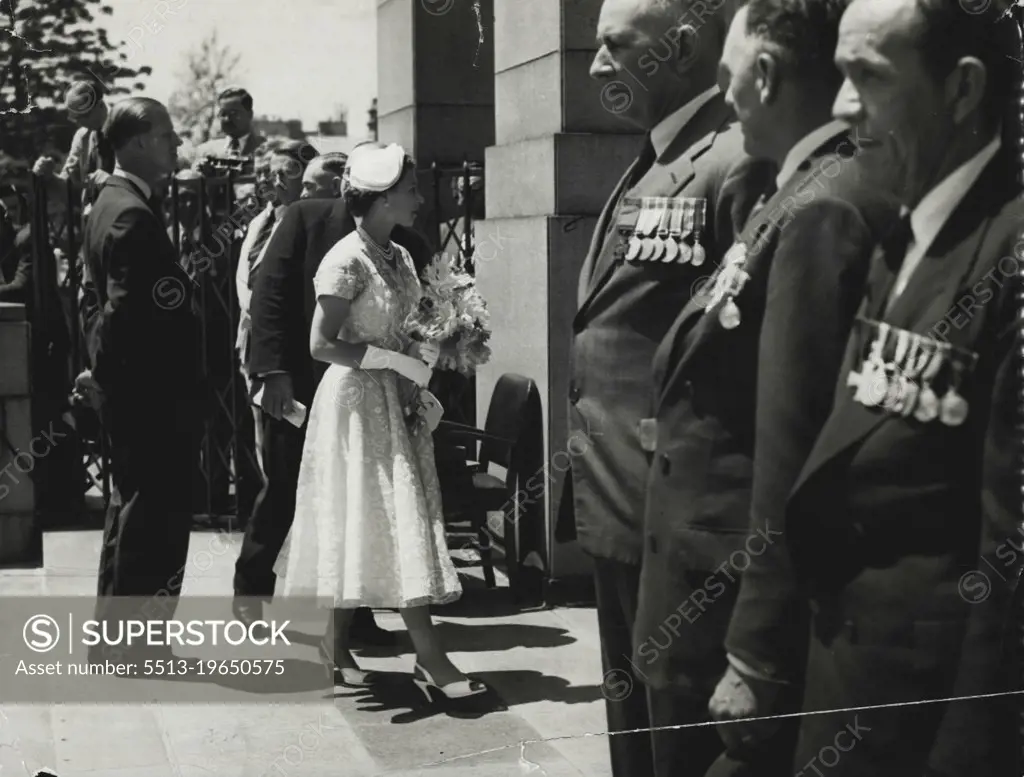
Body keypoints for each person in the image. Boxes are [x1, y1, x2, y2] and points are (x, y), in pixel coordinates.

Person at [643, 0, 898, 772]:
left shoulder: (822, 206)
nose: (723, 99)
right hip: (701, 582)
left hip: (725, 604)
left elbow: (792, 442)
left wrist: (755, 651)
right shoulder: (793, 189)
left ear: (765, 73)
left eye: (727, 78)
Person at [780, 1, 1021, 774]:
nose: (841, 105)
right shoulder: (905, 234)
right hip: (849, 695)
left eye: (869, 77)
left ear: (962, 89)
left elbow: (1009, 570)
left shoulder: (1007, 256)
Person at [563, 0, 758, 774]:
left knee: (681, 744)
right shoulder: (652, 155)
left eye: (616, 45)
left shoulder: (735, 159)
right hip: (617, 514)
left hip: (680, 530)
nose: (596, 66)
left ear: (680, 45)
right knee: (636, 742)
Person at [275, 142, 486, 702]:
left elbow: (407, 323)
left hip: (394, 400)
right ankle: (432, 658)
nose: (418, 199)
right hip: (354, 405)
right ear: (385, 195)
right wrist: (395, 361)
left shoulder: (399, 254)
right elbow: (321, 345)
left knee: (367, 516)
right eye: (411, 190)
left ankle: (332, 645)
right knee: (388, 515)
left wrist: (431, 355)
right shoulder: (345, 259)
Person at [237, 143, 432, 647]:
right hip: (302, 383)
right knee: (284, 491)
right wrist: (271, 371)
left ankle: (351, 618)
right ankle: (252, 603)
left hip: (377, 394)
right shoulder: (304, 219)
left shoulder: (406, 243)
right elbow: (270, 295)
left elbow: (424, 313)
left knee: (359, 503)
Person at [78, 97, 198, 659]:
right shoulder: (128, 211)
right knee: (154, 515)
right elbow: (120, 312)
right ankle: (135, 647)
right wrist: (103, 375)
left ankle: (115, 643)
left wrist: (99, 374)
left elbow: (96, 303)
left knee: (132, 510)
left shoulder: (114, 202)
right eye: (168, 134)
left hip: (136, 391)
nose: (176, 143)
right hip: (151, 396)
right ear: (136, 142)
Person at [33, 79, 114, 214]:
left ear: (101, 105)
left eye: (83, 116)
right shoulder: (82, 137)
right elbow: (68, 189)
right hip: (94, 223)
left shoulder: (127, 131)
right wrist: (49, 176)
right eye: (74, 117)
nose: (78, 122)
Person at [194, 87, 267, 162]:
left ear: (249, 114)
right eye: (223, 114)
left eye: (234, 113)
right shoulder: (205, 151)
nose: (227, 119)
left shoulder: (265, 150)